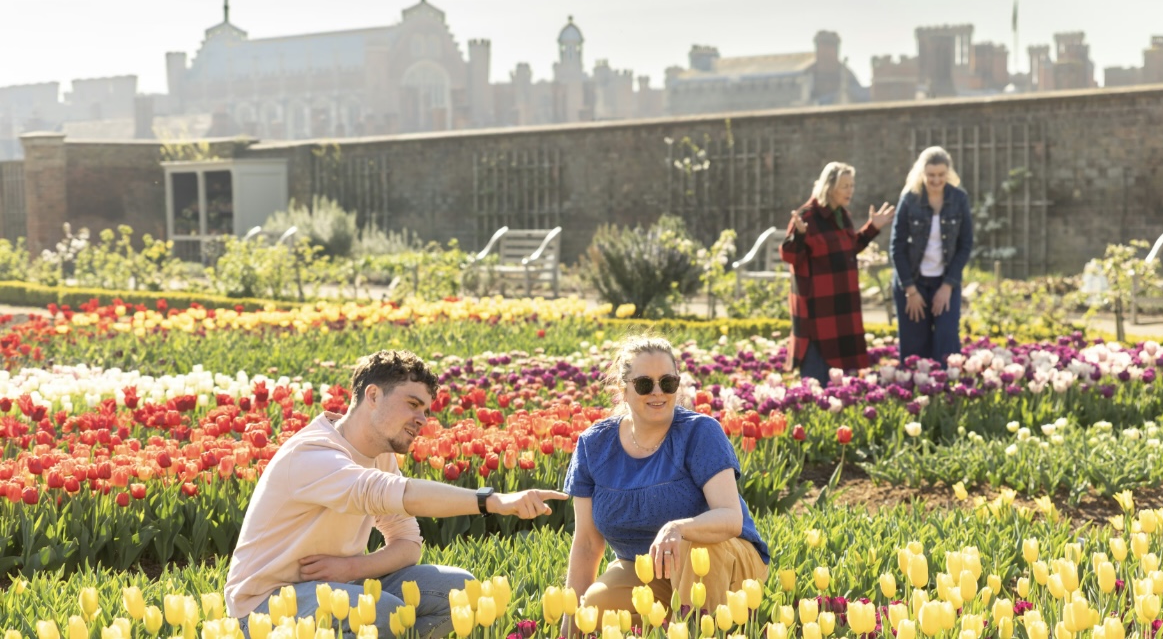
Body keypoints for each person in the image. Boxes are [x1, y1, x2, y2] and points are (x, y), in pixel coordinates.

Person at [226, 349, 568, 639]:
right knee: (383, 611)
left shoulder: (381, 454)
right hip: (261, 606)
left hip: (337, 586)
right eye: (412, 404)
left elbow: (407, 543)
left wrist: (352, 568)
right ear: (373, 396)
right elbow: (386, 492)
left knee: (462, 591)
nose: (422, 420)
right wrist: (491, 501)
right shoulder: (313, 454)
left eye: (426, 411)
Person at [562, 335, 769, 625]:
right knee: (596, 606)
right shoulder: (594, 445)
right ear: (623, 389)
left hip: (725, 559)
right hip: (647, 568)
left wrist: (678, 528)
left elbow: (731, 518)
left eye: (668, 382)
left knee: (692, 546)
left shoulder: (700, 433)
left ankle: (700, 627)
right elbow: (586, 544)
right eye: (645, 384)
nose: (658, 392)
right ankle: (676, 625)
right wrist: (569, 627)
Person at [779, 162, 895, 383]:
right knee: (815, 385)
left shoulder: (842, 215)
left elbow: (849, 248)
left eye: (852, 185)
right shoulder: (808, 216)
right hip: (817, 313)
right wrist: (799, 236)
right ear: (829, 187)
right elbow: (790, 256)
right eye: (844, 186)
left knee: (839, 387)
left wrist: (873, 228)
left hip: (842, 309)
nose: (850, 190)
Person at [889, 146, 973, 363]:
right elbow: (896, 247)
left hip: (945, 283)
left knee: (947, 344)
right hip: (912, 283)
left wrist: (947, 286)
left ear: (948, 173)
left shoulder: (959, 199)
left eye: (941, 175)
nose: (936, 180)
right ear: (922, 173)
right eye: (931, 175)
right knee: (915, 348)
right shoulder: (909, 199)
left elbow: (965, 245)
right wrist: (910, 290)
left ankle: (946, 393)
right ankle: (916, 394)